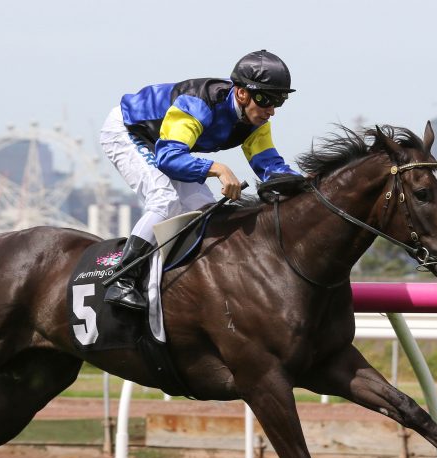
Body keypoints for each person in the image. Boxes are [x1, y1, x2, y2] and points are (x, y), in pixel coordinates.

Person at [99, 49, 302, 311]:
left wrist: (307, 183)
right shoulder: (199, 103)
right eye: (267, 100)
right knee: (165, 200)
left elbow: (269, 166)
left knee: (204, 210)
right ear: (242, 93)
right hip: (130, 131)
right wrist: (217, 169)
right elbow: (169, 158)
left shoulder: (256, 119)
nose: (271, 111)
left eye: (279, 102)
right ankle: (122, 279)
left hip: (164, 145)